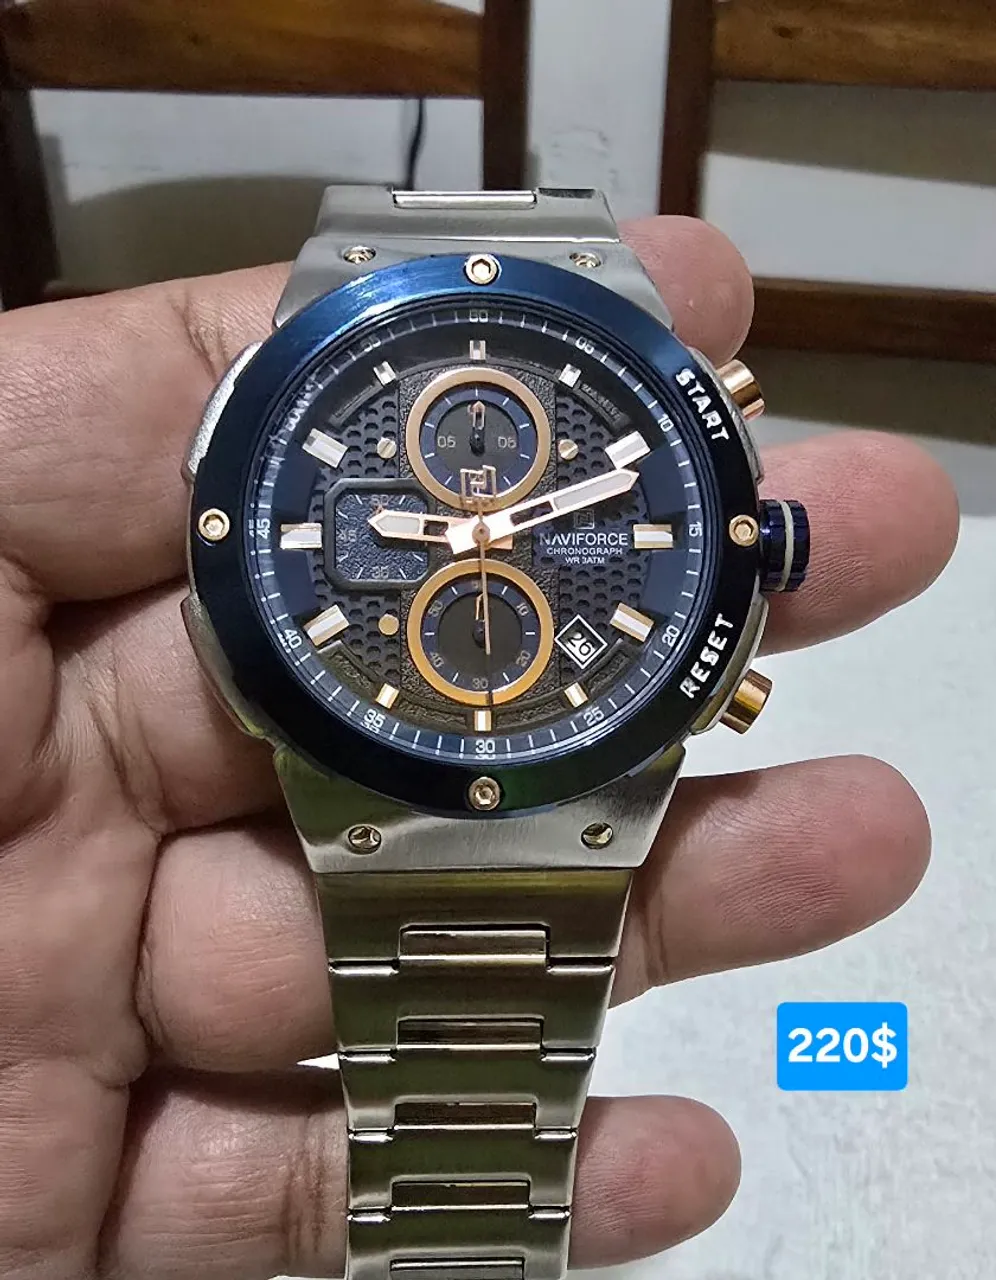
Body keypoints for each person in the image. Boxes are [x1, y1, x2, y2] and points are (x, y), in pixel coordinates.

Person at [0, 216, 958, 1278]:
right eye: (467, 530)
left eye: (491, 530)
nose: (481, 535)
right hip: (385, 763)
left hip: (509, 764)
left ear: (765, 544)